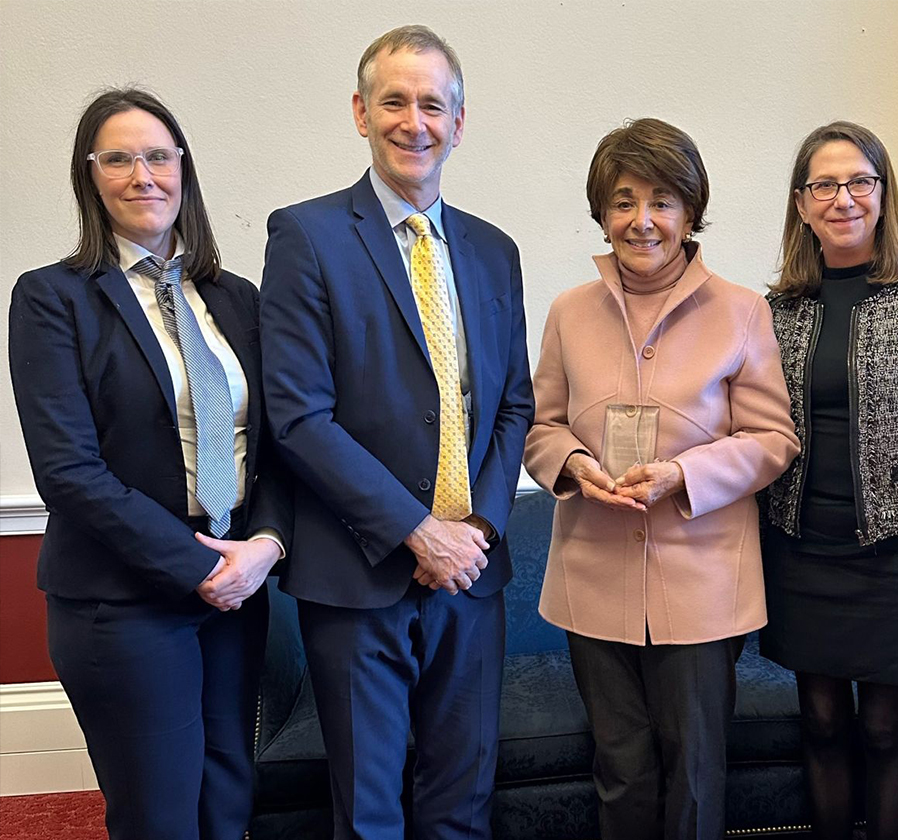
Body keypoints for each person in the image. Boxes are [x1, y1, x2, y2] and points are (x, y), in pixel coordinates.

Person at [260, 25, 534, 835]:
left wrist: (475, 529)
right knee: (371, 810)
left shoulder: (493, 250)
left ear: (458, 121)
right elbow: (299, 417)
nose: (414, 122)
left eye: (433, 105)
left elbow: (512, 402)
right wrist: (418, 532)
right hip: (358, 574)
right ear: (360, 111)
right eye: (394, 102)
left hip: (471, 576)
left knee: (463, 800)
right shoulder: (306, 236)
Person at [8, 87, 287, 840]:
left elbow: (276, 445)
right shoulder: (51, 299)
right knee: (159, 815)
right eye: (119, 158)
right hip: (122, 601)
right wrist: (197, 566)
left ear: (184, 169)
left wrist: (263, 547)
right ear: (89, 176)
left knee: (229, 797)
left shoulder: (236, 300)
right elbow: (67, 470)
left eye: (158, 156)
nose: (143, 175)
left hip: (236, 591)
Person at [522, 118, 798, 839]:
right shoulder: (567, 312)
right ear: (602, 214)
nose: (641, 220)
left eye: (662, 200)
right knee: (619, 764)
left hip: (704, 581)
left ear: (689, 211)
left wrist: (682, 472)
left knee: (696, 767)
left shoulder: (742, 311)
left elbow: (774, 439)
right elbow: (538, 426)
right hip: (593, 574)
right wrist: (576, 467)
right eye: (622, 201)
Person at [755, 120, 898, 840]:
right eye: (825, 184)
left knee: (884, 728)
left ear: (883, 195)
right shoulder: (779, 308)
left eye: (860, 181)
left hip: (896, 555)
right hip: (800, 551)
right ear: (801, 203)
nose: (842, 198)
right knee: (820, 723)